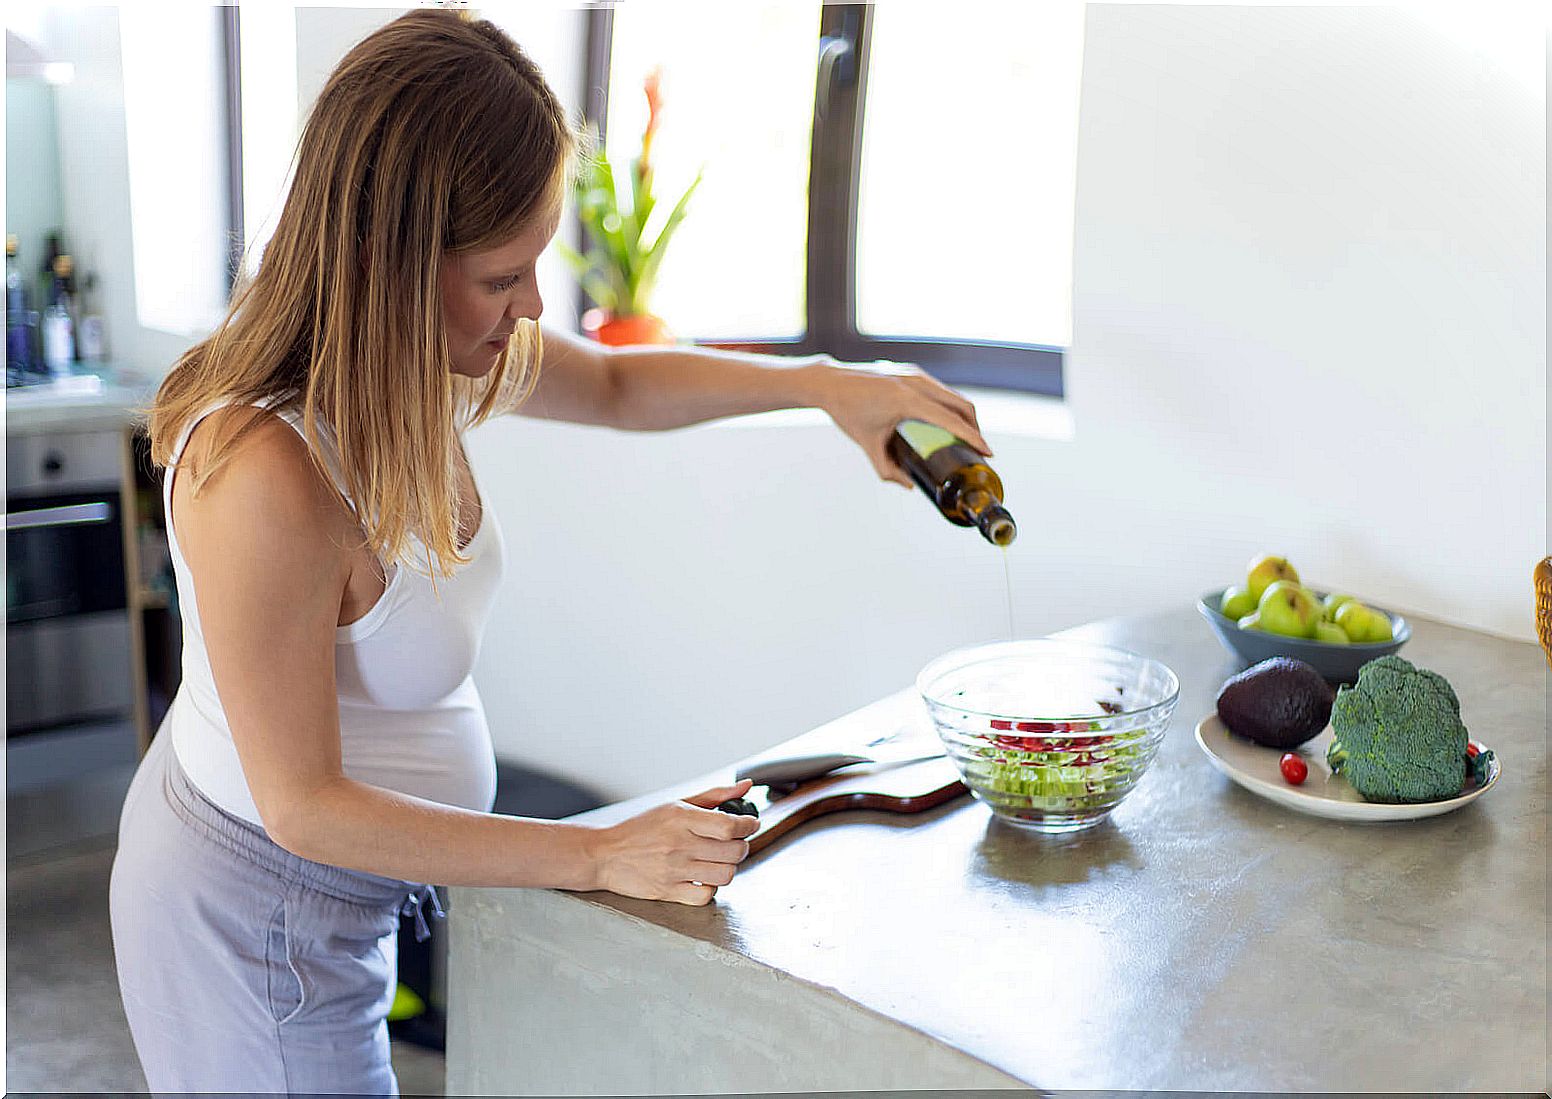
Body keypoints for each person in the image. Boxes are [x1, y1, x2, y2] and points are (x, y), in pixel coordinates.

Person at [108, 9, 994, 1095]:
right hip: (250, 916)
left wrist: (823, 382)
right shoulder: (263, 469)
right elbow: (305, 803)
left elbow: (621, 386)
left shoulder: (429, 360)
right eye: (502, 277)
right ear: (390, 263)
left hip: (342, 896)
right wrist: (596, 848)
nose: (531, 307)